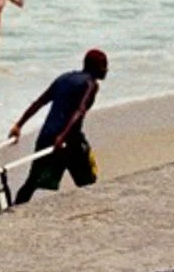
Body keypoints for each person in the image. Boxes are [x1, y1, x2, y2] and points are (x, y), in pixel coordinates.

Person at [8, 49, 108, 202]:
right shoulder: (90, 84)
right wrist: (62, 136)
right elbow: (79, 111)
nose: (106, 70)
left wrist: (18, 125)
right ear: (96, 67)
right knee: (88, 181)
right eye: (104, 65)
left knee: (31, 182)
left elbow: (39, 102)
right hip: (69, 141)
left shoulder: (64, 78)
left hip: (47, 137)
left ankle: (14, 209)